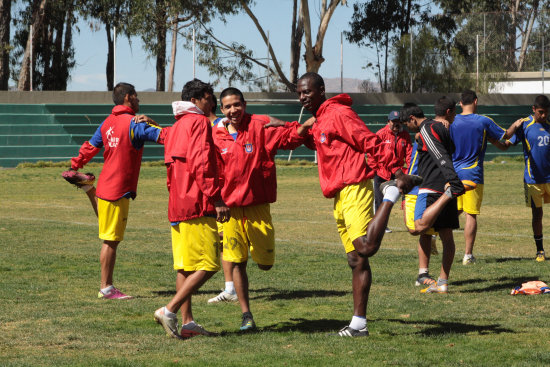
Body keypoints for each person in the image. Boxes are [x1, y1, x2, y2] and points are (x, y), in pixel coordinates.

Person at [294, 72, 420, 337]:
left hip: (355, 187)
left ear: (321, 90)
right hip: (339, 195)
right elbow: (320, 143)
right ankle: (358, 325)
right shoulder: (320, 120)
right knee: (355, 259)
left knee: (365, 247)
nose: (302, 97)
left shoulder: (339, 113)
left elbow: (369, 141)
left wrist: (396, 173)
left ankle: (390, 195)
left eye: (307, 91)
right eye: (299, 93)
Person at [210, 87, 307, 331]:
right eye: (228, 106)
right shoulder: (216, 136)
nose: (233, 110)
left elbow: (291, 136)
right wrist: (217, 201)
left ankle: (258, 254)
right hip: (230, 210)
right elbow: (211, 170)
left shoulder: (260, 126)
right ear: (222, 110)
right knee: (237, 262)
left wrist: (287, 124)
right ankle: (247, 316)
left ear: (244, 104)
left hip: (258, 208)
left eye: (237, 105)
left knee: (265, 264)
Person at [69, 82, 164, 300]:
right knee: (111, 240)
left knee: (108, 232)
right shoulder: (135, 123)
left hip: (106, 186)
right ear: (129, 97)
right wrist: (152, 121)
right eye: (137, 96)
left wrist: (75, 165)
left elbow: (91, 147)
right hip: (118, 190)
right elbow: (167, 137)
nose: (139, 100)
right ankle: (107, 287)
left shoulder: (107, 122)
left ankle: (88, 186)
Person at [154, 79, 230, 339]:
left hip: (177, 204)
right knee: (209, 264)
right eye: (211, 98)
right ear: (197, 99)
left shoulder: (175, 127)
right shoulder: (198, 123)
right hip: (197, 203)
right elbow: (201, 163)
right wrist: (216, 197)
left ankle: (187, 323)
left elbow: (170, 171)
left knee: (185, 268)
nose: (214, 104)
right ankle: (170, 310)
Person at [400, 101, 465, 294]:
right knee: (447, 236)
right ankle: (443, 282)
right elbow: (451, 149)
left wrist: (452, 184)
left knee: (419, 226)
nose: (409, 130)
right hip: (445, 184)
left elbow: (440, 155)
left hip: (433, 188)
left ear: (412, 119)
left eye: (407, 125)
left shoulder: (427, 129)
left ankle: (447, 195)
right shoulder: (438, 127)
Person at [450, 90, 508, 265]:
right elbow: (505, 137)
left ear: (460, 103)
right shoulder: (483, 121)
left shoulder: (451, 121)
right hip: (473, 173)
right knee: (471, 214)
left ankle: (432, 234)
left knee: (452, 210)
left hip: (452, 173)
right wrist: (518, 127)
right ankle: (468, 255)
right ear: (476, 101)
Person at [492, 95, 550, 262]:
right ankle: (540, 250)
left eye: (546, 112)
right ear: (533, 109)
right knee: (537, 215)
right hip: (533, 180)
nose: (544, 116)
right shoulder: (524, 126)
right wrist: (492, 140)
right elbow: (505, 146)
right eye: (541, 112)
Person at [374, 111, 413, 233]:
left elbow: (409, 154)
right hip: (382, 172)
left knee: (395, 199)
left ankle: (411, 222)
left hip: (398, 173)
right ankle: (380, 226)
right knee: (380, 200)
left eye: (398, 122)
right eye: (393, 121)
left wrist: (409, 170)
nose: (396, 124)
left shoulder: (405, 135)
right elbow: (377, 155)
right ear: (388, 122)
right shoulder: (380, 134)